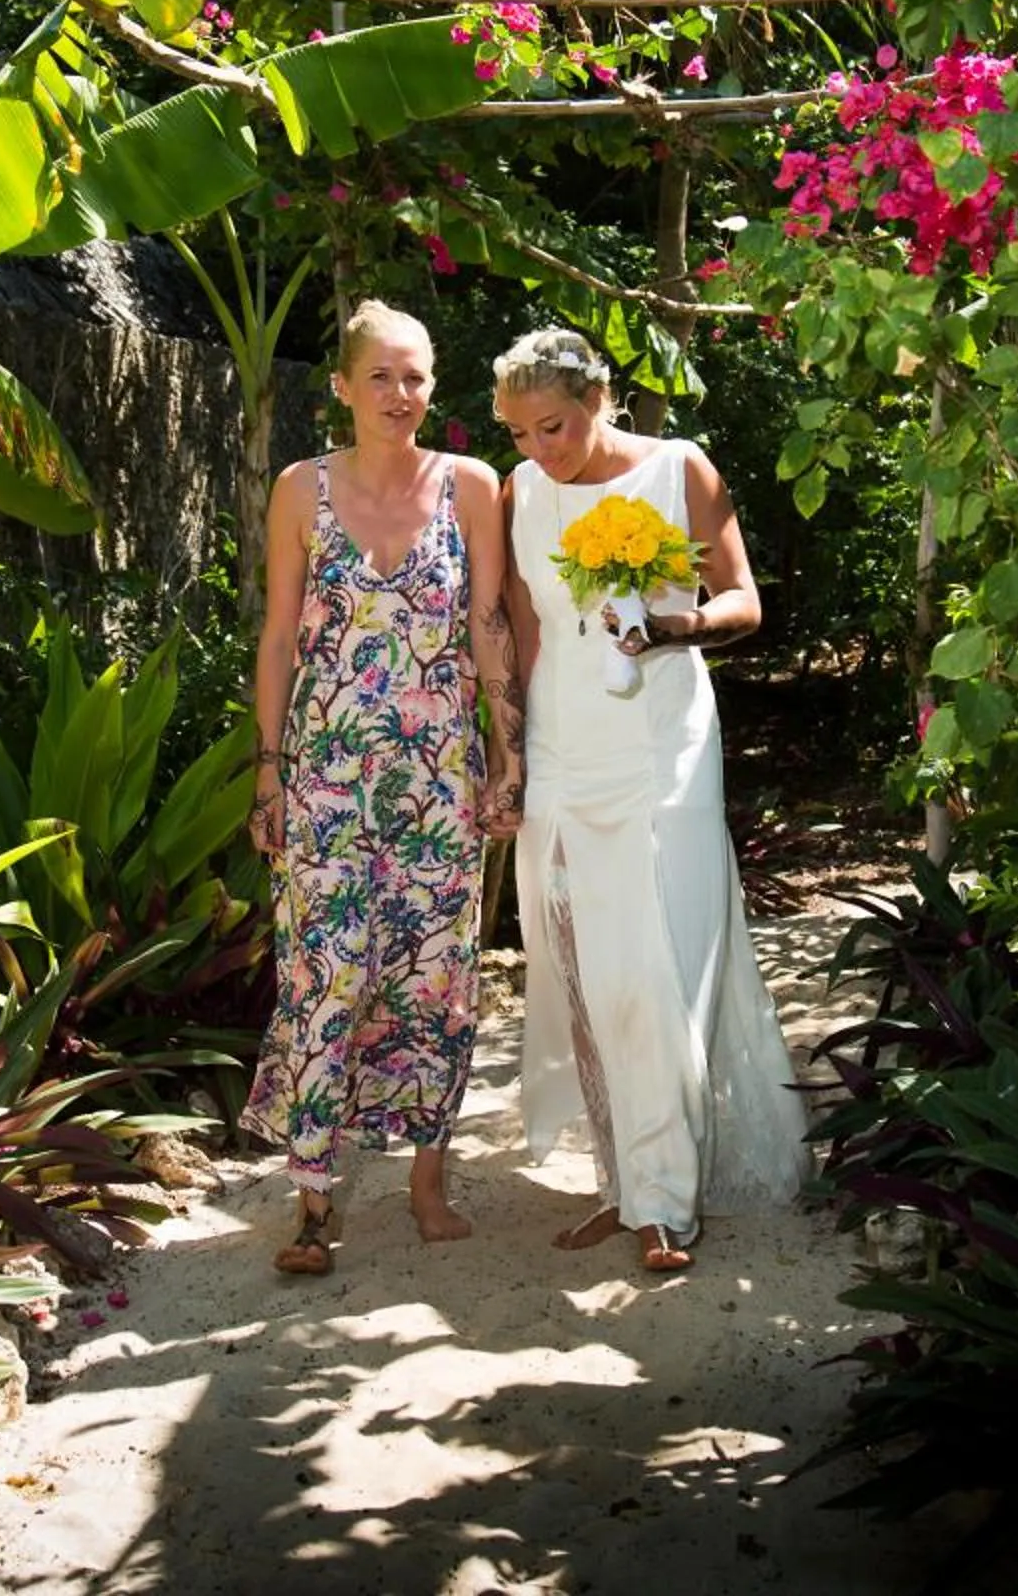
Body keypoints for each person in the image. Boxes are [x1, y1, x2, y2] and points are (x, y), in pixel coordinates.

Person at [492, 328, 808, 1272]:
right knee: (581, 963)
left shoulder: (679, 469)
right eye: (518, 435)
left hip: (664, 744)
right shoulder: (523, 493)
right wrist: (513, 754)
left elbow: (746, 599)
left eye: (553, 426)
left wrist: (681, 626)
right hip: (563, 745)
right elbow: (522, 625)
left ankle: (667, 1200)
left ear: (601, 397)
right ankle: (622, 1182)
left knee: (657, 965)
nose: (539, 451)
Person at [240, 300, 523, 1276]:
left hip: (439, 779)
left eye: (416, 377)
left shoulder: (471, 485)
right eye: (382, 377)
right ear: (343, 387)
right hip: (324, 777)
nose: (401, 395)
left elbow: (489, 624)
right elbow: (279, 637)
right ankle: (314, 1200)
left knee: (438, 973)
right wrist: (269, 770)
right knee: (327, 972)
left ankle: (429, 1183)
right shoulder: (299, 489)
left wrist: (506, 751)